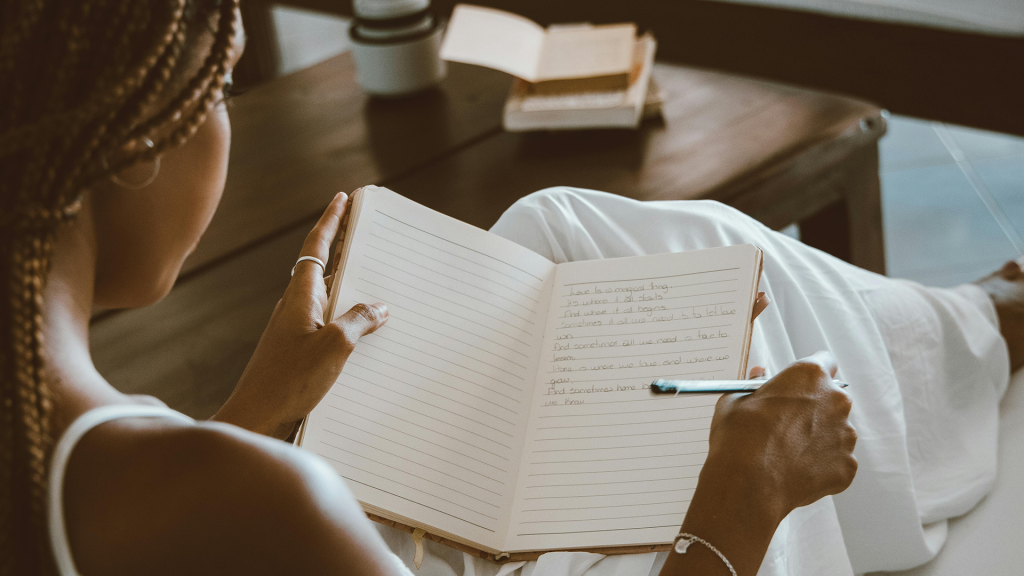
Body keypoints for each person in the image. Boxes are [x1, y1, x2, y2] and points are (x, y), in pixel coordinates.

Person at [0, 2, 1020, 575]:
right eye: (214, 91)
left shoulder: (56, 440)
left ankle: (971, 324)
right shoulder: (262, 502)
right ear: (133, 146)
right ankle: (978, 336)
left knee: (560, 228)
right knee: (723, 341)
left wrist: (254, 413)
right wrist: (737, 508)